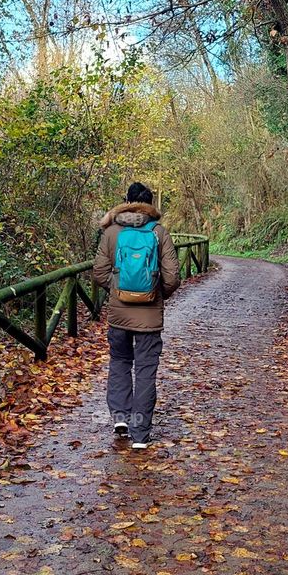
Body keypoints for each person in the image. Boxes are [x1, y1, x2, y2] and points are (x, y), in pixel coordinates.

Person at [92, 182, 181, 450]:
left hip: (119, 316)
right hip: (150, 318)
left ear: (126, 201)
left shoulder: (111, 232)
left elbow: (98, 272)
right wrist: (155, 293)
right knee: (145, 371)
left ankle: (120, 418)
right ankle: (140, 434)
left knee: (119, 361)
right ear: (150, 204)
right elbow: (172, 277)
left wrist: (118, 290)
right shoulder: (159, 233)